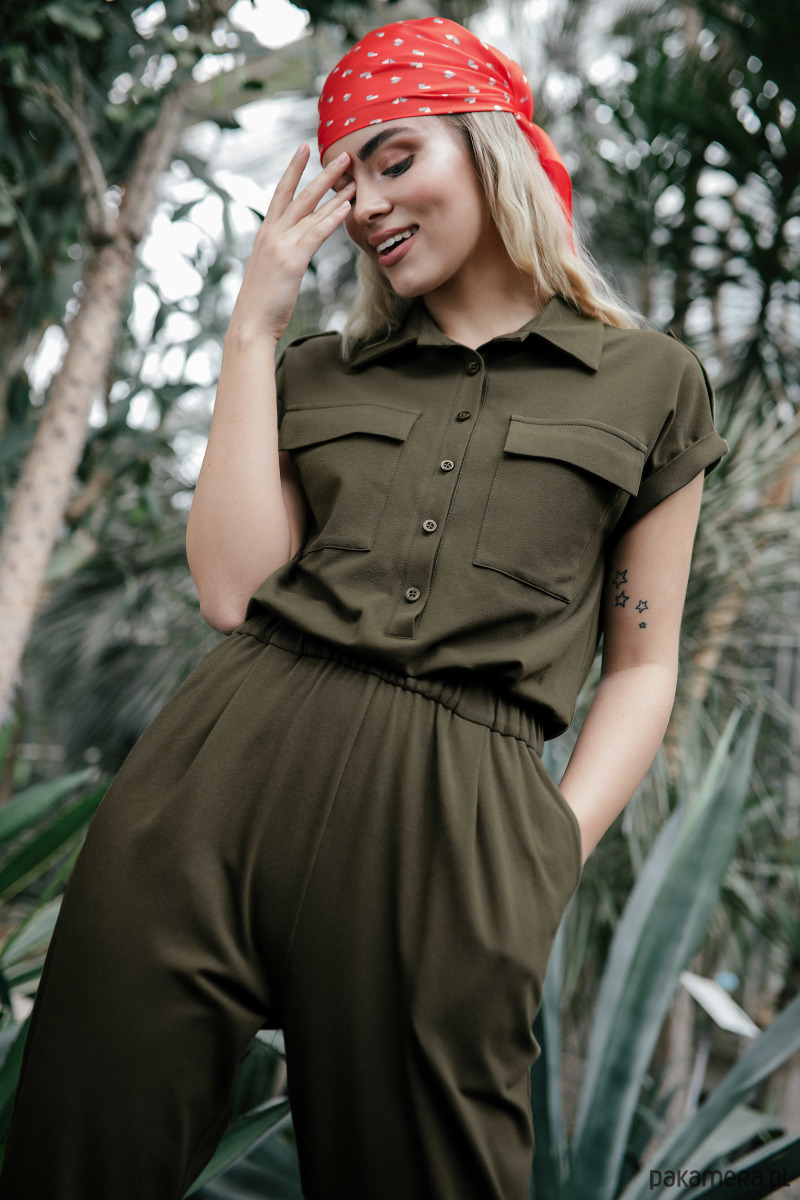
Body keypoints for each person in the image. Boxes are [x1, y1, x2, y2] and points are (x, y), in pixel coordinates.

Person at [0, 15, 729, 1200]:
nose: (368, 204)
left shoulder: (649, 382)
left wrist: (549, 849)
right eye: (346, 181)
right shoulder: (313, 371)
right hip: (213, 788)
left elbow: (643, 666)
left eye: (394, 159)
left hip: (455, 824)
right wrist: (254, 324)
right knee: (78, 1156)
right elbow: (230, 590)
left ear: (487, 148)